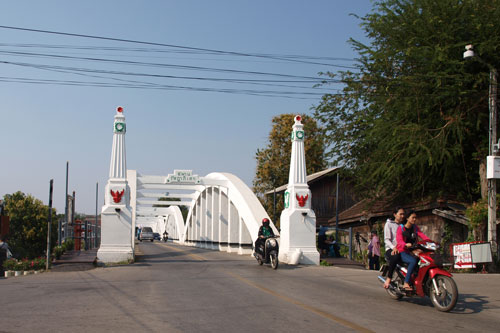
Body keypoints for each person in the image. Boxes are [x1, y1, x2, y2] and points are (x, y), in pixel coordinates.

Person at [396, 210, 430, 291]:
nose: (414, 219)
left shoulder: (415, 227)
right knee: (413, 261)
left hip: (413, 250)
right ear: (407, 218)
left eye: (415, 218)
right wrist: (405, 244)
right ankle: (406, 283)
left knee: (425, 260)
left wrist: (429, 241)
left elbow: (422, 235)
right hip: (403, 250)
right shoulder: (401, 228)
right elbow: (399, 240)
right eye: (413, 217)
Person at [383, 207, 405, 289]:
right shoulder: (389, 224)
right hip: (391, 248)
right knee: (395, 257)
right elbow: (387, 240)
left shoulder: (404, 225)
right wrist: (393, 247)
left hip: (403, 248)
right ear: (395, 214)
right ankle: (389, 278)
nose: (402, 216)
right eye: (400, 214)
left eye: (403, 214)